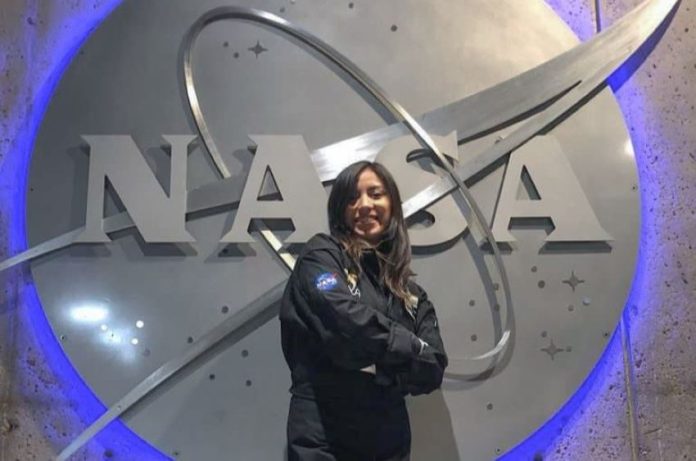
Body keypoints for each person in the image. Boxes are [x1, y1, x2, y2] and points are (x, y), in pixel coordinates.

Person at [280, 161, 448, 461]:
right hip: (322, 431)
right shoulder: (321, 256)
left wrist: (381, 369)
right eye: (352, 197)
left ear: (392, 205)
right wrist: (409, 346)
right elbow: (346, 321)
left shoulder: (410, 294)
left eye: (375, 194)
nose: (364, 205)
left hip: (388, 436)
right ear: (340, 209)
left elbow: (433, 367)